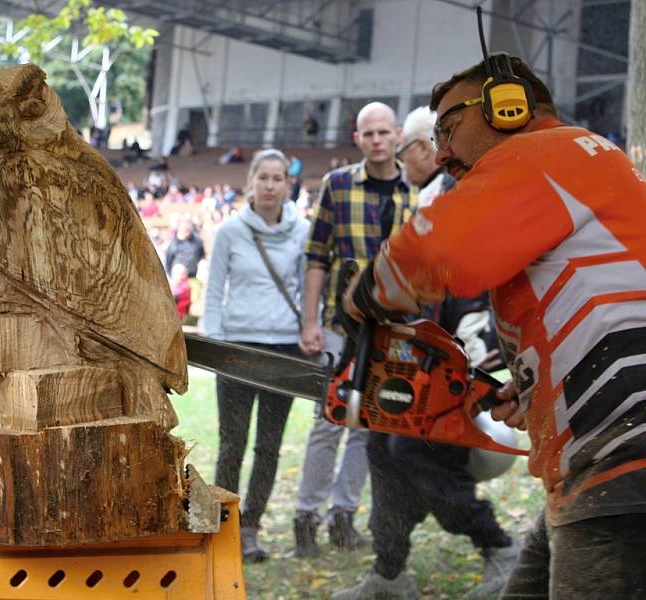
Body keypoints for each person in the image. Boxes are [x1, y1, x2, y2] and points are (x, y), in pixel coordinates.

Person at [341, 56, 646, 599]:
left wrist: (366, 295)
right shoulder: (581, 164)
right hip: (599, 465)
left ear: (509, 107)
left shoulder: (547, 152)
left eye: (450, 130)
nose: (441, 154)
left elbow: (439, 250)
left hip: (624, 462)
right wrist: (535, 392)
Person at [332, 106, 519, 600]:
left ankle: (499, 547)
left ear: (420, 149)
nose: (404, 162)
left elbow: (470, 286)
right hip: (430, 359)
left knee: (415, 450)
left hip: (466, 360)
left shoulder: (455, 194)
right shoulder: (429, 197)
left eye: (402, 152)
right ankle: (390, 572)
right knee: (382, 445)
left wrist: (474, 370)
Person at [294, 102, 416, 557]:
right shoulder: (338, 185)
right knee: (330, 421)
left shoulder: (414, 192)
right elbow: (315, 256)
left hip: (392, 329)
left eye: (385, 132)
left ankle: (342, 516)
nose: (378, 140)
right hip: (340, 325)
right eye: (370, 133)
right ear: (358, 137)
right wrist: (309, 321)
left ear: (398, 134)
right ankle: (305, 517)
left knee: (369, 424)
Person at [202, 148, 310, 562]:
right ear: (251, 180)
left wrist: (309, 332)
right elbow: (214, 291)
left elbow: (307, 288)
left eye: (277, 178)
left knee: (269, 444)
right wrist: (215, 344)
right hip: (238, 347)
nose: (269, 185)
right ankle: (223, 524)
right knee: (233, 441)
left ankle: (251, 528)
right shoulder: (231, 231)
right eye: (262, 177)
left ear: (287, 183)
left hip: (283, 348)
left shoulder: (302, 230)